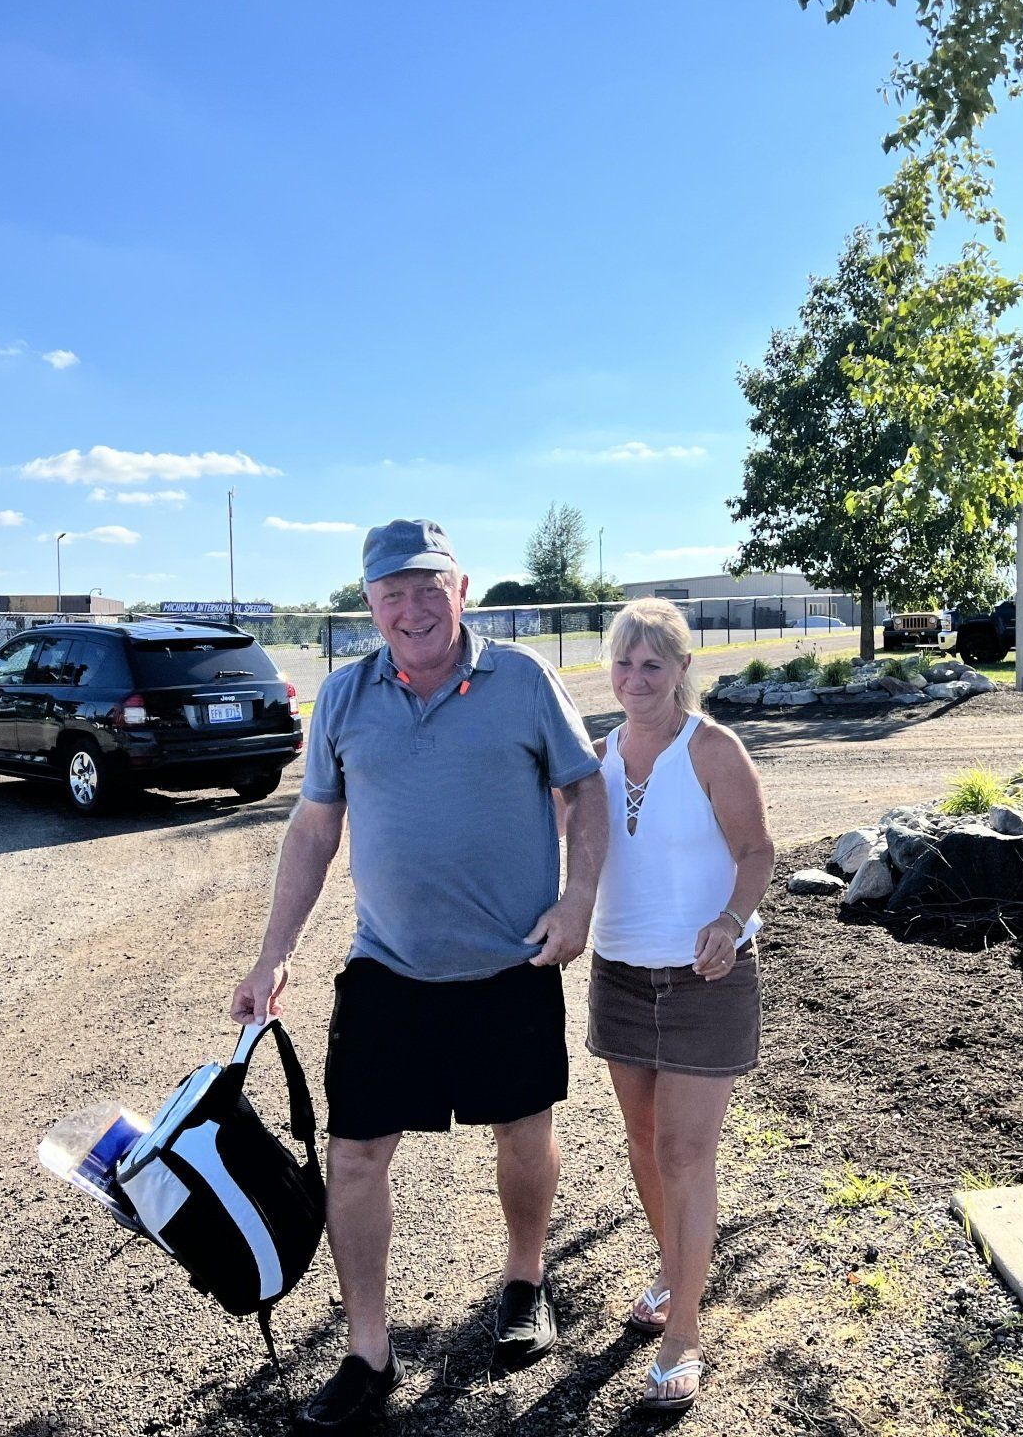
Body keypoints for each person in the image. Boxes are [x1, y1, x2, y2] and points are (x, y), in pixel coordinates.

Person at [230, 518, 607, 1434]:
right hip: (387, 968)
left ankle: (524, 1284)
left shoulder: (521, 681)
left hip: (510, 963)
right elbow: (315, 829)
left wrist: (579, 899)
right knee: (355, 1154)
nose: (411, 608)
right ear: (370, 605)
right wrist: (273, 950)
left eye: (426, 587)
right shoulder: (343, 699)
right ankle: (368, 1352)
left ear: (462, 589)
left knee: (523, 1132)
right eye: (390, 593)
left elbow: (586, 792)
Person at [584, 598, 775, 1414]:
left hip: (707, 978)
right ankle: (672, 1269)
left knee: (687, 1154)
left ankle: (684, 1331)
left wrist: (731, 922)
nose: (635, 678)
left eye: (652, 664)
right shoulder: (595, 757)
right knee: (643, 1140)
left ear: (682, 670)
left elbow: (756, 850)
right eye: (624, 664)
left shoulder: (713, 749)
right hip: (621, 975)